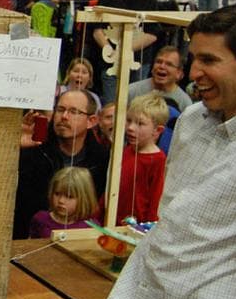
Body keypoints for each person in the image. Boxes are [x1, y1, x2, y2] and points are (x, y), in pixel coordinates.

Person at [98, 5, 236, 299]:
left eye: (210, 60)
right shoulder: (193, 120)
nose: (194, 72)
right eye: (194, 59)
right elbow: (168, 223)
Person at [14, 89, 110, 239]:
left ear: (91, 121)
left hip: (78, 241)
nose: (64, 117)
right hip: (28, 240)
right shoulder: (35, 149)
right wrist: (15, 149)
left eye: (73, 112)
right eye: (60, 110)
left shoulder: (102, 159)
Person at [116, 93, 168, 224]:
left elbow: (156, 201)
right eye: (129, 120)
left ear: (157, 130)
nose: (130, 128)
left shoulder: (158, 160)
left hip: (136, 229)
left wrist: (147, 230)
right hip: (112, 222)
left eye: (140, 123)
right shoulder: (125, 151)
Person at [28, 167, 97, 238]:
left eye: (69, 196)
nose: (61, 200)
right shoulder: (40, 219)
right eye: (57, 194)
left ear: (84, 198)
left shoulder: (92, 227)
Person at [127, 46, 193, 112]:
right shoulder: (131, 91)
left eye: (169, 64)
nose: (162, 66)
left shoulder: (185, 104)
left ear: (179, 74)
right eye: (158, 62)